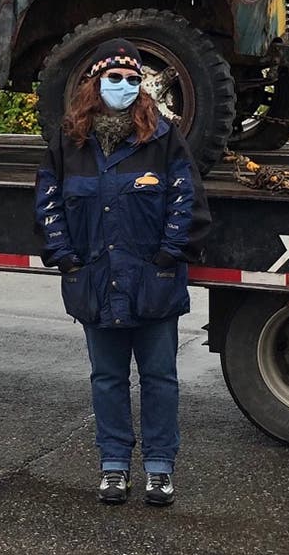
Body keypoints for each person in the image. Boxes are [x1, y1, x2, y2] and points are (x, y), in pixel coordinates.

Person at [34, 39, 211, 507]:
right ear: (96, 83)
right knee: (107, 379)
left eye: (134, 79)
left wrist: (168, 257)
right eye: (115, 78)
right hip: (95, 280)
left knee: (160, 378)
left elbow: (186, 199)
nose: (125, 86)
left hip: (153, 281)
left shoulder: (163, 137)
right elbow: (48, 200)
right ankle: (113, 465)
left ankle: (159, 468)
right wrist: (67, 258)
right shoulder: (70, 142)